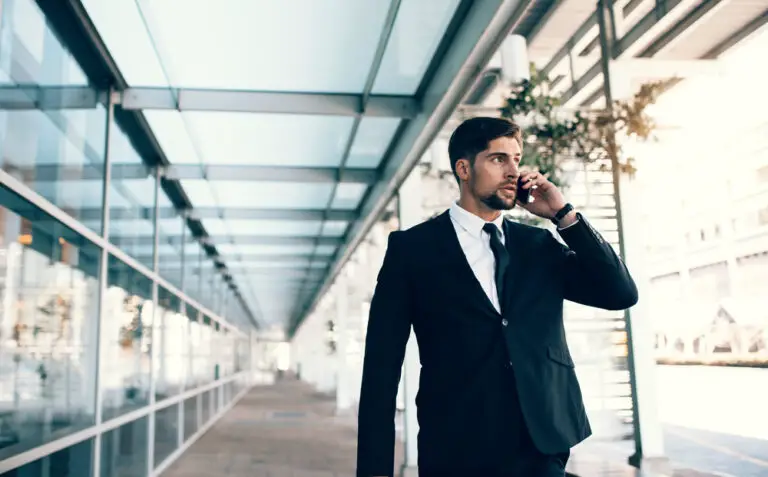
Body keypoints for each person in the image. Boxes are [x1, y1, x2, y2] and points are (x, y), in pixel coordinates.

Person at [355, 117, 638, 477]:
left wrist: (564, 216)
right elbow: (381, 368)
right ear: (464, 168)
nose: (513, 171)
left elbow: (620, 293)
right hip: (457, 447)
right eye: (498, 159)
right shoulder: (412, 250)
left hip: (541, 443)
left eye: (517, 159)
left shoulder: (539, 246)